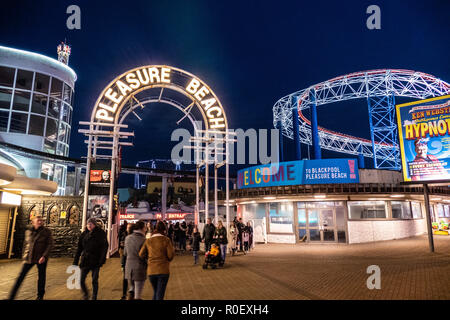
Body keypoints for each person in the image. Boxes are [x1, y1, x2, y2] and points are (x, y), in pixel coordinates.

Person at [9, 215, 53, 300]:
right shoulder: (28, 231)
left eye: (41, 221)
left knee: (41, 277)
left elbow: (50, 244)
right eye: (38, 221)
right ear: (33, 222)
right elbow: (25, 244)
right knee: (20, 277)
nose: (40, 222)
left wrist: (44, 256)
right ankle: (11, 296)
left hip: (41, 258)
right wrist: (23, 256)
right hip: (29, 257)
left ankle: (40, 296)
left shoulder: (46, 231)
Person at [73, 218, 108, 300]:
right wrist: (75, 260)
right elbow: (79, 248)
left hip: (96, 260)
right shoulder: (84, 234)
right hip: (85, 260)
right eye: (88, 224)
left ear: (94, 225)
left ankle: (94, 296)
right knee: (81, 280)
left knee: (94, 280)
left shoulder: (100, 233)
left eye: (91, 224)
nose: (89, 225)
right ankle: (86, 294)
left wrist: (102, 259)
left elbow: (104, 247)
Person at [139, 220, 174, 300]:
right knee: (159, 295)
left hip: (151, 271)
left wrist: (148, 259)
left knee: (156, 292)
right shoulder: (166, 240)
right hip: (163, 270)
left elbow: (141, 254)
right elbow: (170, 255)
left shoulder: (148, 240)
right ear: (164, 230)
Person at [123, 220, 147, 300]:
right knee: (138, 294)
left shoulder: (127, 238)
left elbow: (125, 253)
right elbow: (145, 255)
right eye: (145, 227)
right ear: (142, 228)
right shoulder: (144, 240)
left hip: (129, 267)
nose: (146, 229)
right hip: (139, 267)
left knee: (132, 288)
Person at [119, 222, 134, 300]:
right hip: (126, 259)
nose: (128, 229)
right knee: (125, 278)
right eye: (127, 227)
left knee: (132, 278)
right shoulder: (124, 235)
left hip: (132, 259)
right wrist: (122, 263)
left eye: (129, 227)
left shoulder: (133, 237)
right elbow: (123, 251)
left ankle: (132, 292)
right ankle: (124, 294)